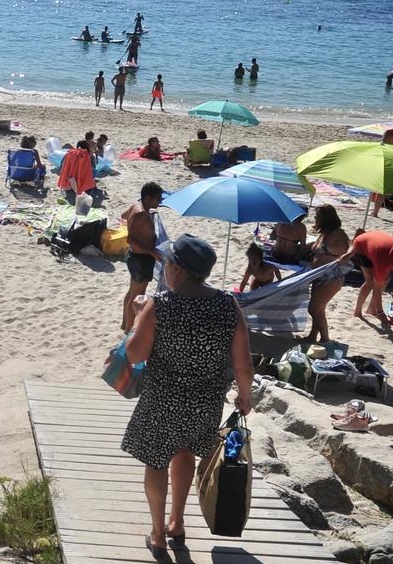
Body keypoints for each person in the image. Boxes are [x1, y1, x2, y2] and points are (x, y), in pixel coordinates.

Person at [121, 234, 253, 563]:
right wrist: (245, 398)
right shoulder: (227, 304)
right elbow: (244, 364)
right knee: (186, 456)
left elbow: (135, 353)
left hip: (161, 399)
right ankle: (176, 523)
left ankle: (157, 534)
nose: (164, 268)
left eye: (166, 263)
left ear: (177, 269)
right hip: (205, 402)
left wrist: (138, 317)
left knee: (156, 463)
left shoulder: (160, 305)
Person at [122, 182, 164, 331]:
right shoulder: (142, 214)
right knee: (137, 297)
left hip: (135, 258)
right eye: (158, 199)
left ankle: (124, 324)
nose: (160, 202)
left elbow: (123, 216)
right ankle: (128, 330)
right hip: (141, 260)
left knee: (132, 292)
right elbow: (131, 240)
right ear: (148, 198)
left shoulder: (136, 206)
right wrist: (153, 252)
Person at [303, 205, 349, 343]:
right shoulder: (324, 233)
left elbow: (347, 252)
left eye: (317, 216)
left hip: (332, 277)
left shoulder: (338, 233)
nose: (315, 218)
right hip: (319, 275)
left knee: (313, 309)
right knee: (319, 309)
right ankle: (313, 336)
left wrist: (329, 253)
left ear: (325, 218)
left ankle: (325, 339)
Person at [338, 230, 393, 327]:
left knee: (387, 278)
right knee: (370, 282)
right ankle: (358, 311)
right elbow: (377, 289)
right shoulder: (385, 262)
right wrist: (380, 312)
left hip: (377, 243)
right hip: (361, 245)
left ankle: (371, 309)